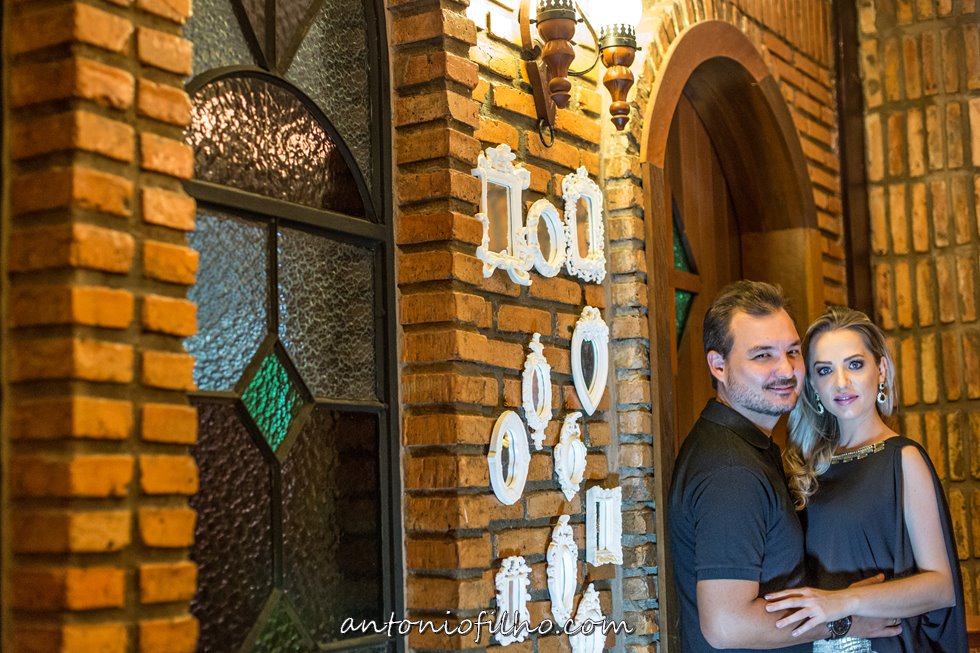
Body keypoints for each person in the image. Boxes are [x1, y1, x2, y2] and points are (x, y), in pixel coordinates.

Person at [668, 281, 901, 652]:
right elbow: (727, 625)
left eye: (792, 351)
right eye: (763, 356)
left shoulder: (744, 447)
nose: (786, 369)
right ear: (719, 366)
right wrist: (844, 621)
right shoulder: (731, 472)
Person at [764, 306, 966, 651]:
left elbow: (941, 588)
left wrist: (843, 601)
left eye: (855, 364)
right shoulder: (804, 467)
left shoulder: (903, 459)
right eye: (825, 370)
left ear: (881, 369)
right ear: (812, 384)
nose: (841, 382)